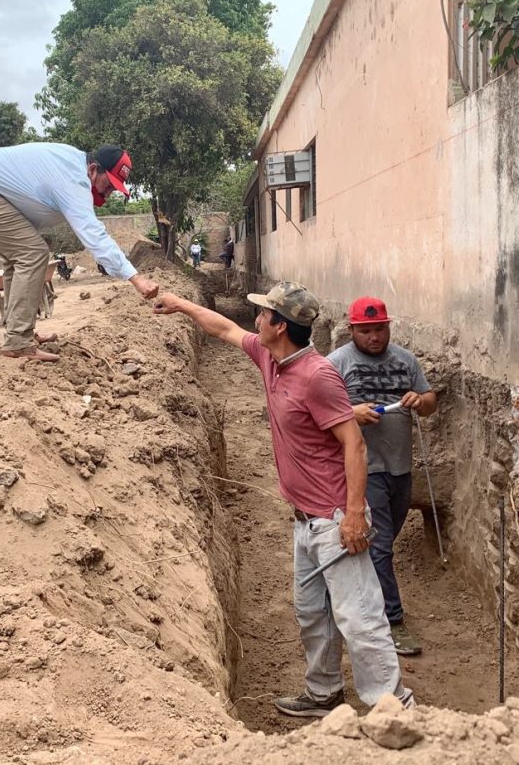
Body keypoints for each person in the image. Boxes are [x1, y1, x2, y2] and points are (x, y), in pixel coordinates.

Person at [153, 282, 414, 716]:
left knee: (360, 617)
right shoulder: (271, 358)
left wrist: (352, 515)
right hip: (305, 519)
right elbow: (222, 330)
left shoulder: (316, 377)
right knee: (313, 612)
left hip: (334, 519)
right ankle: (324, 693)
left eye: (262, 314)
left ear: (278, 325)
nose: (254, 320)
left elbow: (355, 444)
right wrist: (179, 304)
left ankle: (395, 709)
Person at [0, 142, 159, 362]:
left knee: (18, 258)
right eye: (109, 183)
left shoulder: (71, 163)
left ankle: (18, 333)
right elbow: (94, 236)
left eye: (116, 187)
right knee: (33, 254)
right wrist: (136, 279)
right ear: (93, 169)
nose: (110, 190)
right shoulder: (74, 181)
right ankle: (19, 342)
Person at [328, 297, 437, 656]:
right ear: (352, 331)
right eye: (366, 331)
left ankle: (354, 595)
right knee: (380, 545)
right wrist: (350, 412)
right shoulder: (337, 364)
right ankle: (391, 620)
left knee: (383, 542)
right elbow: (318, 410)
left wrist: (420, 401)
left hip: (400, 467)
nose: (374, 337)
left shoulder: (405, 361)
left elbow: (430, 399)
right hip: (364, 469)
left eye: (380, 329)